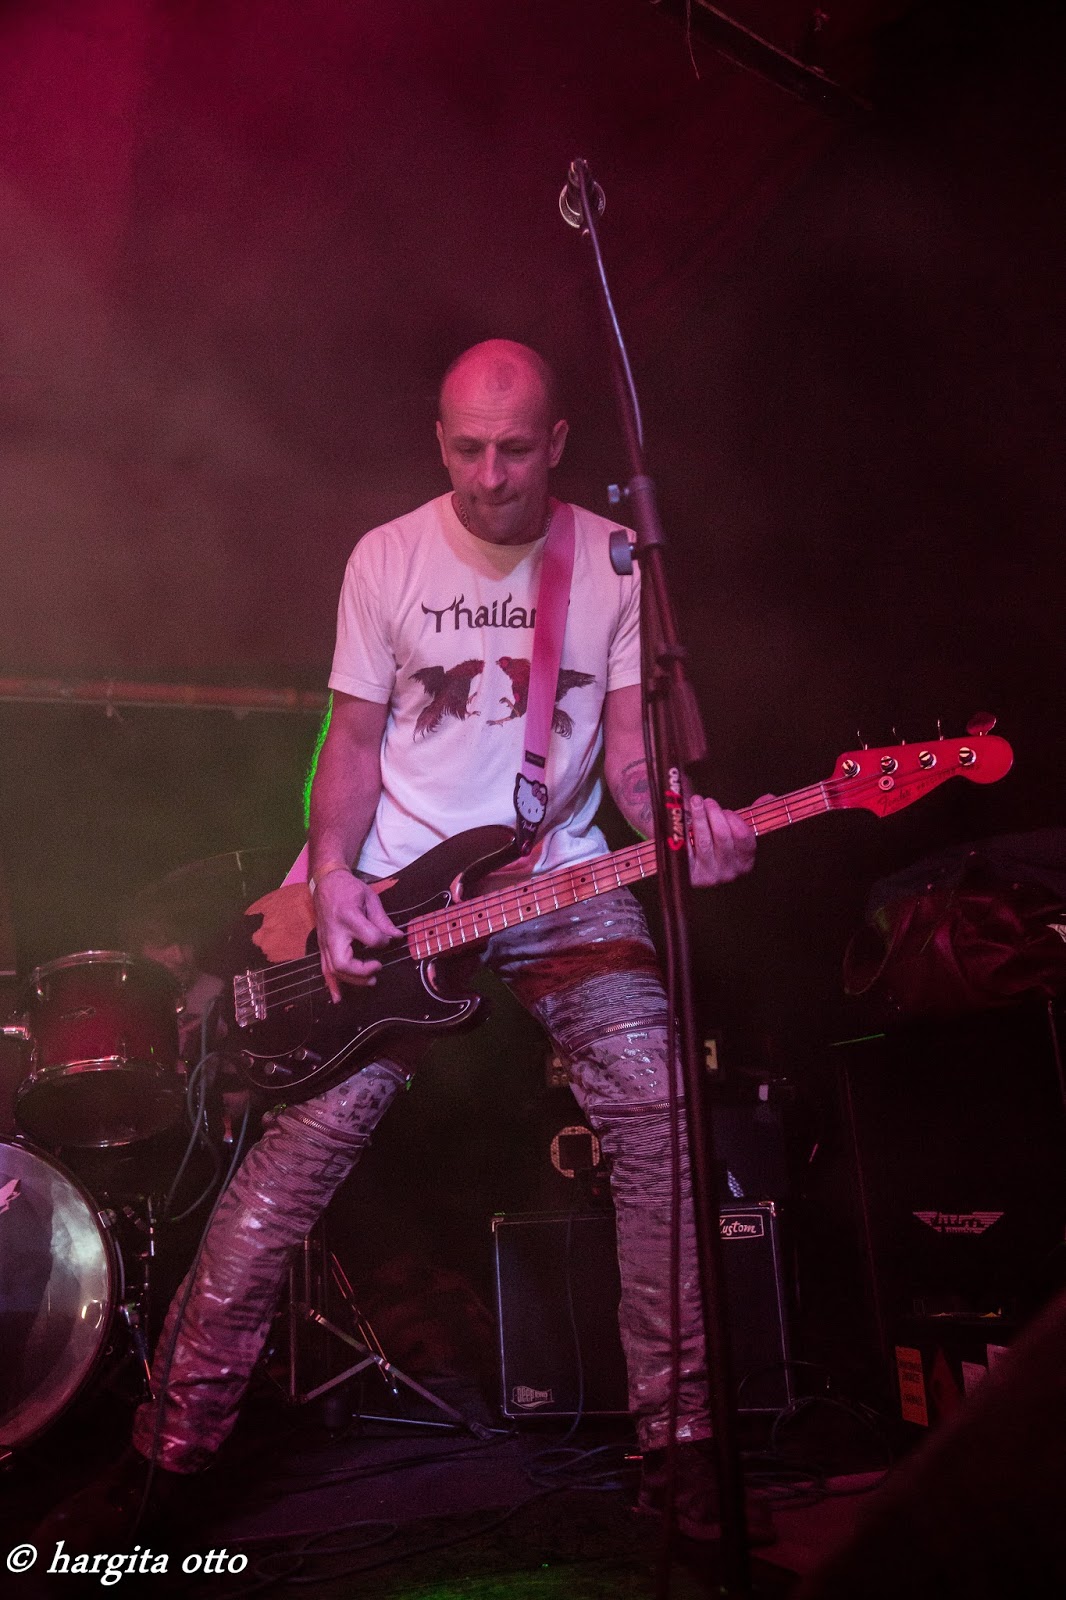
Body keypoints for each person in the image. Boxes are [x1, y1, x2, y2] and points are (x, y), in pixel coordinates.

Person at [46, 339, 759, 1547]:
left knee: (656, 1114)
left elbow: (637, 762)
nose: (491, 475)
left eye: (515, 449)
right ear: (439, 440)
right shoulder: (387, 555)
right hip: (397, 895)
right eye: (467, 448)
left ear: (558, 442)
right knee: (286, 1174)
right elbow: (353, 742)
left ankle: (682, 1451)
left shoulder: (612, 559)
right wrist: (332, 878)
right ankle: (165, 1459)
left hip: (560, 879)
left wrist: (694, 821)